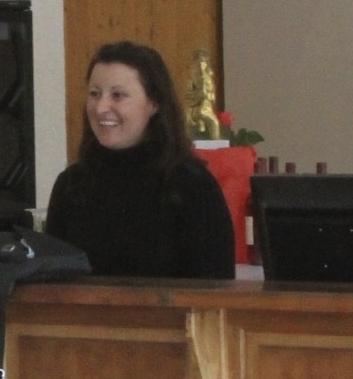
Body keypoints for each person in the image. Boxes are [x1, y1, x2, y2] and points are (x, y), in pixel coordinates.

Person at [44, 41, 238, 279]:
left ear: (154, 103)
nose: (101, 107)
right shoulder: (70, 185)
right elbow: (49, 283)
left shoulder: (192, 186)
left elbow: (215, 288)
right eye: (94, 94)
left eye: (118, 95)